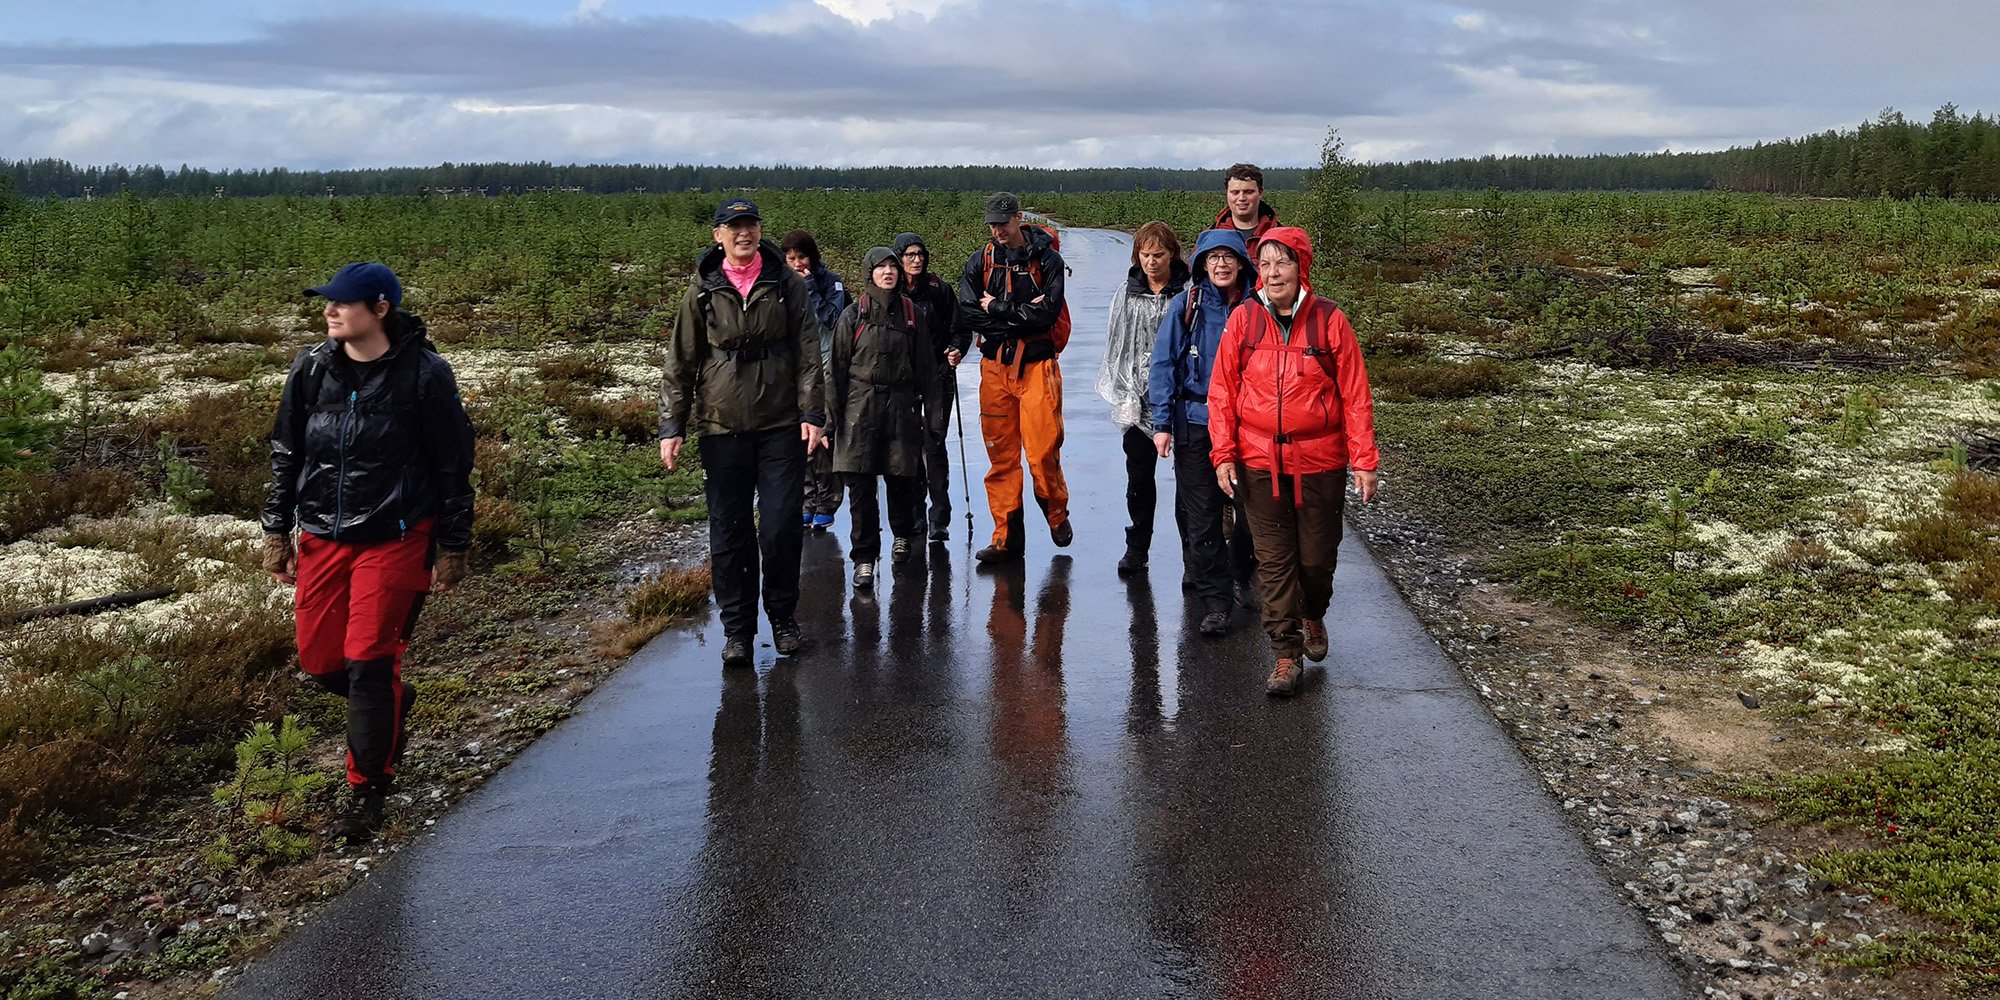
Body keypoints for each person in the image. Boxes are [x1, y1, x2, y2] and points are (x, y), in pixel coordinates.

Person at [261, 261, 475, 842]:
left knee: (368, 663)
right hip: (324, 537)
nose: (329, 311)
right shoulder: (311, 368)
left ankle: (367, 790)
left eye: (343, 303)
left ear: (379, 309)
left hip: (397, 536)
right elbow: (287, 451)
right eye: (326, 302)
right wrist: (278, 533)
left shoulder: (424, 374)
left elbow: (453, 462)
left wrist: (452, 543)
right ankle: (389, 704)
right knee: (321, 662)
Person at [1206, 227, 1378, 697]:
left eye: (1282, 262)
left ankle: (1313, 612)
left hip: (1320, 461)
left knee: (1318, 560)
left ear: (1301, 267)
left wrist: (1364, 460)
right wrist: (1223, 455)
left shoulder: (1330, 321)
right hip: (1258, 461)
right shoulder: (1244, 320)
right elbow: (1221, 391)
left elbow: (1355, 396)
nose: (1273, 272)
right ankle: (1285, 654)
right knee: (1274, 561)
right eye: (1265, 263)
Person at [660, 198, 827, 666]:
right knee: (730, 532)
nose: (743, 233)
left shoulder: (786, 284)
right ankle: (737, 631)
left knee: (779, 528)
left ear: (759, 231)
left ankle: (783, 619)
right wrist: (672, 425)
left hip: (780, 426)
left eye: (750, 225)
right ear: (718, 236)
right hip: (721, 426)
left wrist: (812, 414)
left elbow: (808, 352)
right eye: (733, 227)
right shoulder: (700, 291)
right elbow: (681, 361)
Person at [1149, 229, 1260, 637]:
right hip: (1195, 422)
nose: (1220, 264)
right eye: (1211, 258)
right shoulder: (1186, 306)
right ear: (1200, 265)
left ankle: (1240, 571)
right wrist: (1162, 424)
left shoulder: (1258, 309)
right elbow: (1163, 366)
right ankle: (1215, 603)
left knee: (1253, 514)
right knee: (1202, 519)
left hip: (1250, 427)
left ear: (1241, 262)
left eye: (1227, 256)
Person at [957, 192, 1071, 564]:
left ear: (1019, 218)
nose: (998, 230)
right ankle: (1005, 539)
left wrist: (999, 308)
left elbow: (1048, 317)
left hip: (1037, 367)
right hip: (994, 368)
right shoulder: (980, 261)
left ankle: (1056, 514)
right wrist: (1019, 314)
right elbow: (968, 314)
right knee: (1001, 457)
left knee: (1042, 452)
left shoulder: (1049, 261)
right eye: (992, 224)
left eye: (1003, 223)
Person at [829, 247, 934, 590]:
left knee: (900, 478)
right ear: (869, 273)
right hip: (858, 407)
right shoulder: (852, 316)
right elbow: (836, 370)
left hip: (901, 406)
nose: (888, 272)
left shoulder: (912, 315)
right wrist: (830, 420)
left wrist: (931, 418)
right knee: (860, 487)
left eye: (892, 266)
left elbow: (927, 370)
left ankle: (901, 534)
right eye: (880, 267)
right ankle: (863, 558)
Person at [1096, 221, 1188, 576]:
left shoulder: (1188, 292)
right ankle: (1137, 548)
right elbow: (1115, 347)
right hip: (1136, 401)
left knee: (1190, 481)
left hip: (1182, 399)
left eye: (1159, 255)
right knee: (1138, 478)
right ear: (1137, 256)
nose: (1152, 262)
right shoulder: (1127, 293)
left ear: (1172, 255)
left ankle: (1192, 557)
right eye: (1145, 255)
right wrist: (1123, 395)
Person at [893, 231, 969, 542]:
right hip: (903, 379)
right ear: (898, 258)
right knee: (909, 445)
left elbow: (960, 327)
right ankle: (914, 515)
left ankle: (940, 517)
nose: (916, 260)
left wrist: (956, 349)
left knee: (934, 442)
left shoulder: (939, 290)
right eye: (910, 255)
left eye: (920, 254)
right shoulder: (891, 292)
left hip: (938, 373)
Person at [781, 229, 850, 532]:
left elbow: (834, 319)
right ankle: (807, 498)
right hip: (794, 366)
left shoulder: (830, 282)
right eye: (791, 258)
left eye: (802, 256)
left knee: (823, 432)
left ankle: (828, 499)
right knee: (799, 432)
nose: (797, 263)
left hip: (827, 365)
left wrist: (809, 287)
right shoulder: (781, 284)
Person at [1211, 163, 1279, 262]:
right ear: (1227, 194)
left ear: (1260, 193)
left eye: (1248, 192)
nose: (1242, 198)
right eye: (1235, 192)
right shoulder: (1211, 237)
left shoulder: (1279, 236)